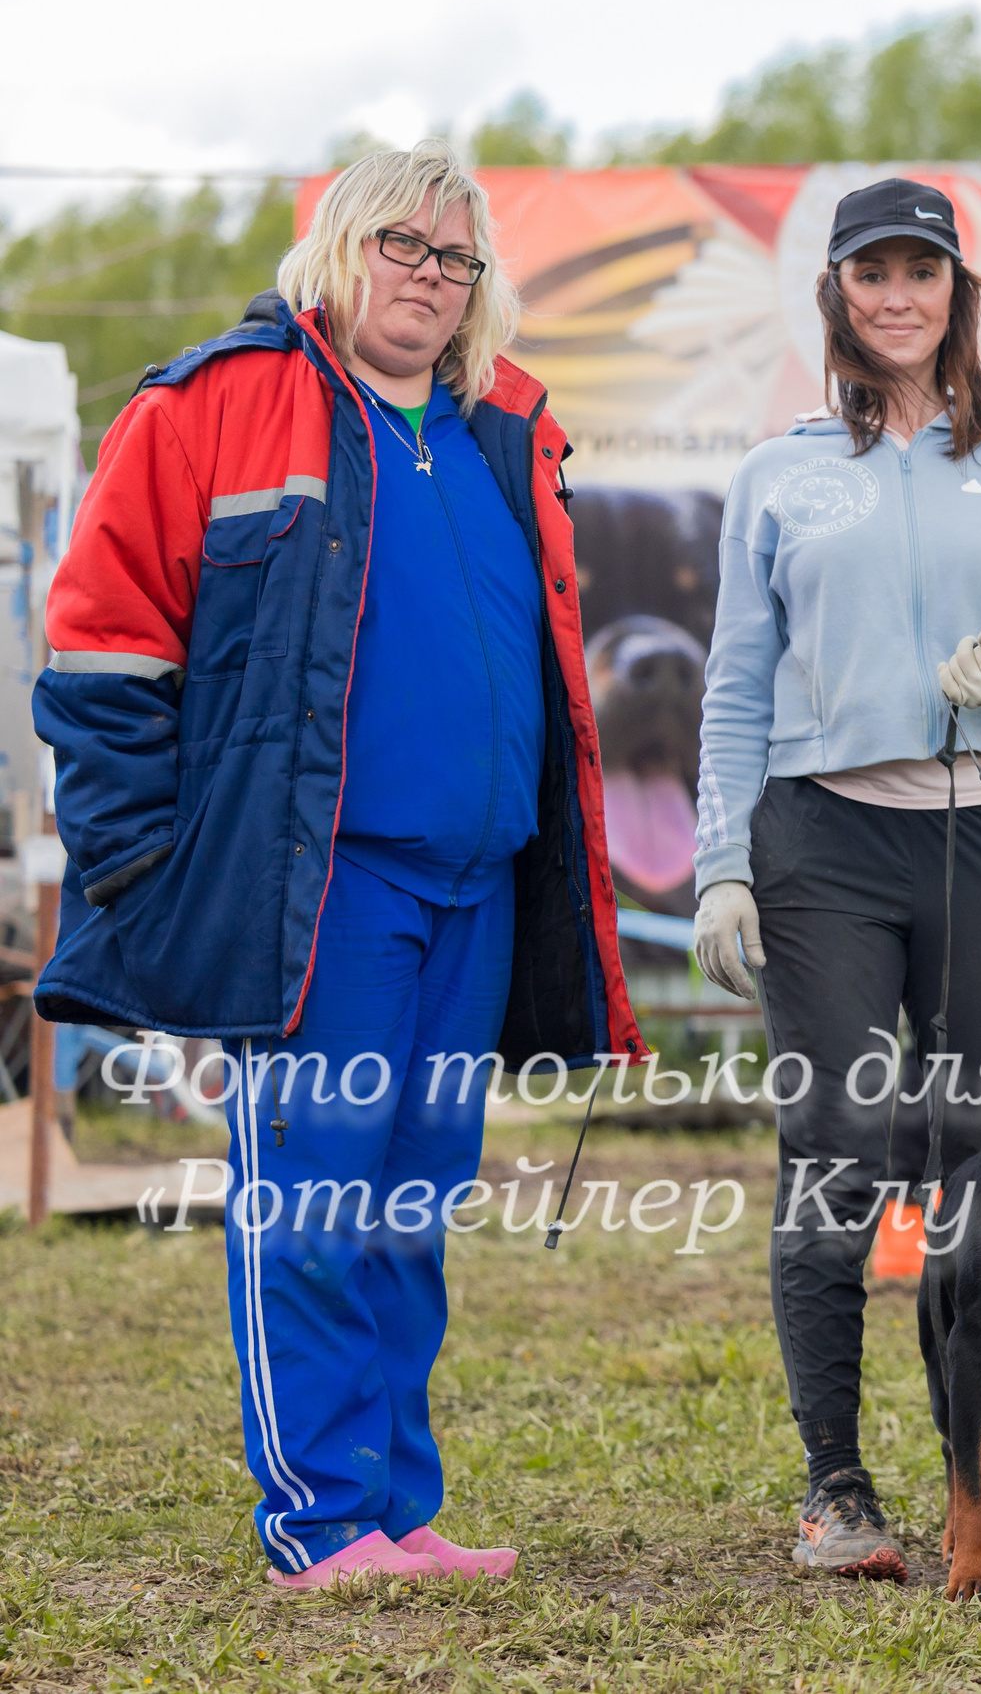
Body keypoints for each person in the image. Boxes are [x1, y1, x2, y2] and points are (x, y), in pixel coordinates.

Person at [33, 142, 644, 1589]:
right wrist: (141, 867)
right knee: (313, 1208)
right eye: (403, 247)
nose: (429, 279)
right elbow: (102, 651)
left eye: (456, 259)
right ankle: (318, 1527)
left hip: (477, 888)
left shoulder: (505, 430)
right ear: (339, 243)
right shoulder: (218, 404)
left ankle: (395, 1513)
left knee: (413, 1209)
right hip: (326, 892)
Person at [689, 177, 981, 1581]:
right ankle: (836, 1487)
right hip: (822, 848)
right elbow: (736, 687)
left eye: (922, 274)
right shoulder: (778, 476)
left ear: (960, 294)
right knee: (835, 1164)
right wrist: (721, 865)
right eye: (870, 274)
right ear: (835, 295)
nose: (897, 297)